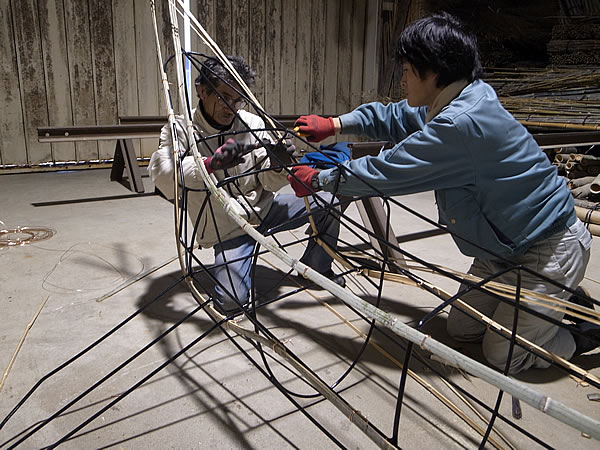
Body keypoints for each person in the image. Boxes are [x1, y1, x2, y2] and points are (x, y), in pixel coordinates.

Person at [288, 13, 597, 374]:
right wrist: (336, 124)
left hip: (547, 248)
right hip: (499, 250)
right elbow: (394, 116)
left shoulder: (459, 124)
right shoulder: (459, 95)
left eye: (406, 70)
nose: (402, 79)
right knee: (461, 329)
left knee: (504, 357)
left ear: (432, 71)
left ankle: (581, 332)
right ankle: (549, 306)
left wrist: (322, 180)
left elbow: (386, 172)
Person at [149, 55, 343, 315]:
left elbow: (266, 177)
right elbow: (164, 175)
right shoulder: (181, 129)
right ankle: (236, 265)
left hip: (262, 210)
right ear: (201, 91)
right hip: (226, 226)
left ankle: (316, 267)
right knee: (232, 303)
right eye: (223, 96)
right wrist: (209, 165)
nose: (231, 106)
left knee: (328, 203)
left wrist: (278, 163)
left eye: (238, 98)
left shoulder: (251, 123)